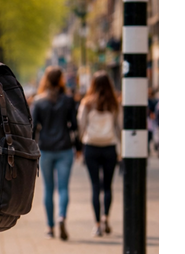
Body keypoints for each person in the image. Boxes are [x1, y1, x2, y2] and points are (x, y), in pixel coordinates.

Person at [31, 67, 78, 240]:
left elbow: (33, 127)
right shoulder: (68, 100)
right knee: (63, 188)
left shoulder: (39, 101)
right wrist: (79, 147)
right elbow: (74, 126)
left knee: (48, 189)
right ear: (61, 80)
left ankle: (50, 227)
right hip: (65, 148)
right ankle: (62, 217)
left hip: (45, 149)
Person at [77, 72, 122, 237]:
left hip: (92, 147)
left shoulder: (87, 103)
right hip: (110, 147)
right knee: (108, 186)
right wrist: (121, 149)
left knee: (95, 186)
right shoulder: (114, 103)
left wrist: (81, 141)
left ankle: (97, 225)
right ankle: (106, 218)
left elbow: (81, 125)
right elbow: (119, 126)